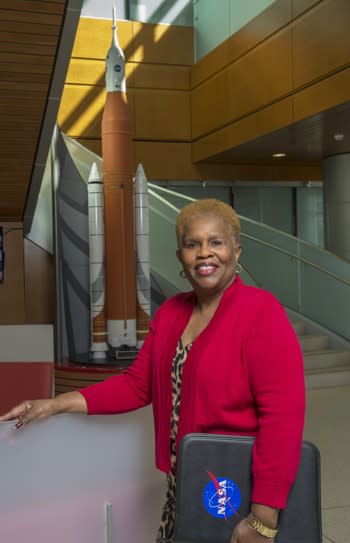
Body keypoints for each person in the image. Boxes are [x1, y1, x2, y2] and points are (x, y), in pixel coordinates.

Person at [0, 199, 305, 543]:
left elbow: (283, 417)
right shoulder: (171, 313)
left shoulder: (261, 313)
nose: (205, 253)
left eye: (216, 242)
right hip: (184, 484)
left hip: (233, 489)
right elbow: (136, 385)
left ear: (236, 251)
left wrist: (263, 519)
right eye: (193, 244)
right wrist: (55, 404)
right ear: (181, 256)